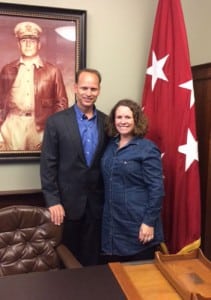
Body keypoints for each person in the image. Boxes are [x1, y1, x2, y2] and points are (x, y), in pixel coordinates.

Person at [40, 68, 108, 266]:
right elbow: (48, 165)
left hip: (97, 206)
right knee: (67, 261)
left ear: (99, 91)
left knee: (93, 262)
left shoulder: (107, 122)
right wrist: (53, 201)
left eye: (93, 89)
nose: (88, 93)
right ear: (75, 88)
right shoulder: (56, 122)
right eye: (84, 87)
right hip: (66, 206)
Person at [100, 99, 164, 263]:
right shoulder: (110, 146)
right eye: (119, 117)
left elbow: (157, 189)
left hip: (138, 224)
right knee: (115, 278)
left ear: (136, 120)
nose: (123, 121)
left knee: (139, 279)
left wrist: (149, 223)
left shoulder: (147, 148)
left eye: (127, 117)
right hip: (112, 225)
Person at [0, 21, 68, 151]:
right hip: (12, 126)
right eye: (24, 40)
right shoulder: (7, 70)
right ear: (18, 44)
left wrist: (51, 130)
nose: (28, 44)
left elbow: (62, 104)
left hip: (40, 128)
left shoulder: (52, 71)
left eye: (32, 41)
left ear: (39, 45)